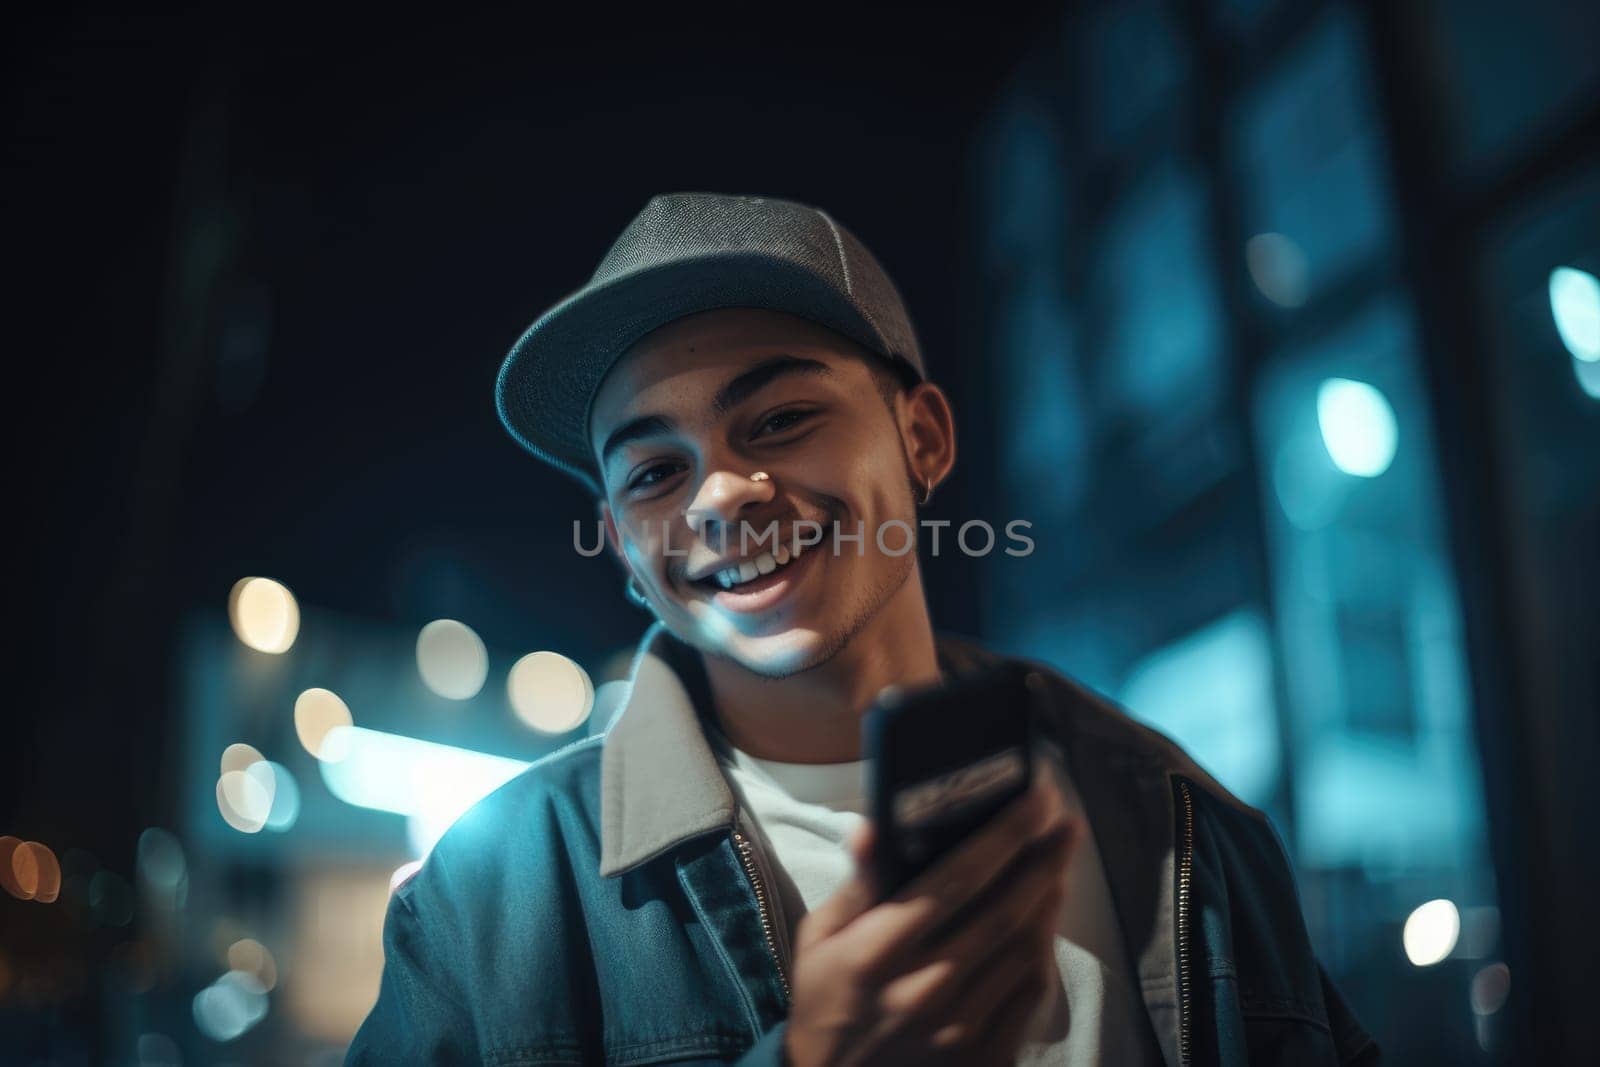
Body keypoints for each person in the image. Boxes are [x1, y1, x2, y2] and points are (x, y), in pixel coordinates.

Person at [347, 193, 1378, 1065]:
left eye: (782, 418)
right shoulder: (487, 904)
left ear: (921, 436)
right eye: (656, 470)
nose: (720, 497)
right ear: (621, 543)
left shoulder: (1183, 822)